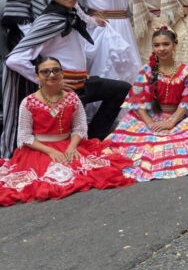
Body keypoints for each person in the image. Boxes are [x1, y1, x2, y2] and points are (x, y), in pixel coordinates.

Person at [2, 0, 131, 157]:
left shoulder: (73, 16)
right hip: (62, 90)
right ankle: (83, 144)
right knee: (68, 129)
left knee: (122, 89)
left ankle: (94, 138)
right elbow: (14, 59)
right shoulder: (49, 21)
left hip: (82, 83)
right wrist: (47, 81)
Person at [0, 56, 134, 206]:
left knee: (95, 170)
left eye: (56, 70)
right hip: (39, 150)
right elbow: (24, 136)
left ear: (62, 73)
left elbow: (79, 127)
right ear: (37, 77)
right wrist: (51, 151)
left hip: (68, 144)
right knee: (44, 181)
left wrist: (72, 147)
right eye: (45, 72)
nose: (51, 75)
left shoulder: (72, 98)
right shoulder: (28, 102)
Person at [102, 28, 188, 181]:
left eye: (165, 44)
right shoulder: (147, 70)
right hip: (150, 117)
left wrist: (171, 122)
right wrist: (150, 124)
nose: (161, 49)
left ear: (174, 44)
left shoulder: (185, 71)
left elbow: (187, 102)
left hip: (177, 117)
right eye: (157, 45)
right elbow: (138, 101)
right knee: (138, 143)